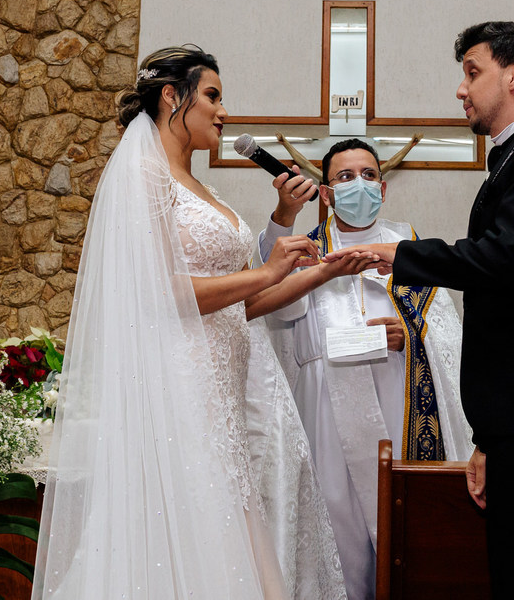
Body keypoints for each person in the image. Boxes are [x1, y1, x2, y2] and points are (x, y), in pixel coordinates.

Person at [32, 45, 373, 600]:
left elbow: (244, 301)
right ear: (173, 96)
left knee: (225, 537)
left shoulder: (204, 192)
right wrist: (266, 271)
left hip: (222, 395)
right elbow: (161, 292)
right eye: (211, 95)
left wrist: (320, 265)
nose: (221, 111)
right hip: (178, 388)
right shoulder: (143, 177)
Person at [325, 22, 514, 598]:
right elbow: (506, 304)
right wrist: (487, 441)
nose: (461, 90)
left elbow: (503, 260)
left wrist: (401, 254)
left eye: (472, 72)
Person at [260, 139, 471, 600]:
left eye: (369, 175)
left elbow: (448, 337)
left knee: (404, 530)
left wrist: (409, 336)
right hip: (325, 409)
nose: (360, 184)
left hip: (402, 400)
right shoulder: (305, 249)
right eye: (345, 177)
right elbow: (270, 311)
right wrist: (281, 217)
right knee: (338, 534)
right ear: (328, 194)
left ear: (384, 186)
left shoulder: (411, 246)